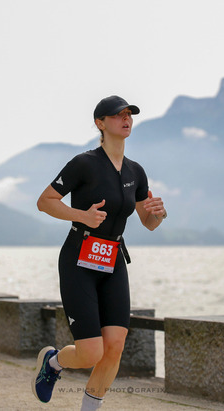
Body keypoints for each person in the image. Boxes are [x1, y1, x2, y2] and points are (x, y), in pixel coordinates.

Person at [34, 96, 167, 410]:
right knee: (91, 353)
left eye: (129, 114)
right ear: (100, 123)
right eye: (118, 115)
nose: (126, 119)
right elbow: (45, 201)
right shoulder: (84, 164)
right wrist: (82, 216)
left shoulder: (136, 171)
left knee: (115, 346)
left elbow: (148, 222)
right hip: (78, 258)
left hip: (113, 259)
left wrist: (159, 214)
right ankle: (53, 363)